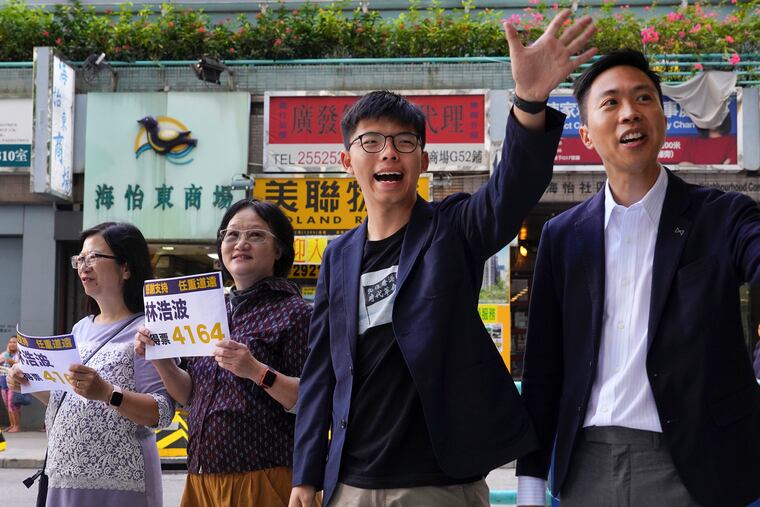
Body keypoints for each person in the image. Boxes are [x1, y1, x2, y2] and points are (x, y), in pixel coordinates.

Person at [288, 10, 597, 507]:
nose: (389, 153)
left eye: (404, 142)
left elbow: (509, 192)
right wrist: (306, 475)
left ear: (422, 161)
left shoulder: (452, 229)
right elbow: (323, 370)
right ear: (347, 161)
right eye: (371, 142)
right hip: (349, 483)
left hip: (439, 483)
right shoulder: (338, 257)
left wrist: (529, 101)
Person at [516, 49, 760, 507]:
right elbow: (544, 369)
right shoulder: (563, 236)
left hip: (698, 470)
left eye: (644, 97)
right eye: (611, 102)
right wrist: (530, 487)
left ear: (663, 118)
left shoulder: (723, 216)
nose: (630, 112)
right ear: (586, 134)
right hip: (585, 470)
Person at [135, 199, 313, 507]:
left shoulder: (295, 312)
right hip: (202, 476)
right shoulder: (209, 310)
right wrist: (162, 358)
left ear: (279, 250)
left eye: (255, 235)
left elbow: (312, 400)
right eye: (231, 235)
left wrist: (257, 371)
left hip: (263, 476)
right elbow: (190, 394)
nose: (240, 243)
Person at [8, 222, 175, 507]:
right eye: (80, 259)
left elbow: (161, 412)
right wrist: (30, 382)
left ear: (126, 268)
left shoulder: (148, 330)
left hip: (120, 483)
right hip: (64, 476)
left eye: (94, 258)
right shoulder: (80, 329)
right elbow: (67, 400)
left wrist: (108, 393)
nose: (84, 267)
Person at [1, 336, 21, 432]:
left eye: (14, 342)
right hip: (4, 382)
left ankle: (16, 426)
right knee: (7, 404)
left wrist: (12, 361)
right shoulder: (5, 354)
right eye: (10, 342)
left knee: (12, 404)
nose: (12, 344)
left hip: (14, 382)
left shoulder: (20, 355)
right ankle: (12, 425)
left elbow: (21, 366)